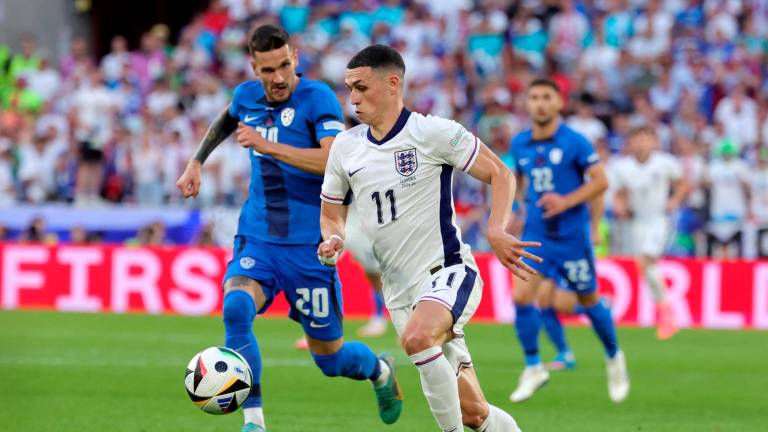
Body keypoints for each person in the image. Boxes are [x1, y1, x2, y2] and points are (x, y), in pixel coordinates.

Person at [175, 26, 401, 432]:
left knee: (330, 359)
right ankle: (254, 422)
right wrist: (196, 161)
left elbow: (333, 162)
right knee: (236, 306)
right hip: (259, 235)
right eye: (268, 69)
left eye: (284, 65)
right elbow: (228, 118)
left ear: (294, 57)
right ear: (254, 67)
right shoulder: (247, 96)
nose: (278, 77)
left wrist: (267, 145)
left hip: (310, 248)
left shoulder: (317, 98)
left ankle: (379, 370)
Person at [318, 44, 537, 432]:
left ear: (392, 83)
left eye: (361, 87)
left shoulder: (432, 132)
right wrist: (332, 239)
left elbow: (501, 174)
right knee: (473, 411)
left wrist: (496, 227)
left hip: (448, 271)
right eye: (349, 88)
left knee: (419, 339)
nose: (352, 97)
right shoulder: (346, 149)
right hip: (400, 292)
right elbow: (332, 212)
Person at [508, 77, 629, 404]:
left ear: (559, 103)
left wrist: (566, 202)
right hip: (536, 234)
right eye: (534, 97)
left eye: (547, 97)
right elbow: (518, 180)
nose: (540, 103)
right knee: (521, 296)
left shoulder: (576, 142)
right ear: (527, 104)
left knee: (589, 301)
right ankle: (534, 366)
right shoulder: (520, 143)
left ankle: (614, 356)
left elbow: (600, 182)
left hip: (571, 237)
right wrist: (517, 209)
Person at [613, 126, 688, 340]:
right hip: (637, 222)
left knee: (646, 262)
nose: (641, 143)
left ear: (654, 142)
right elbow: (618, 194)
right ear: (630, 142)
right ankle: (666, 314)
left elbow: (683, 184)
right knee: (644, 267)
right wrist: (620, 206)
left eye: (646, 138)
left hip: (659, 220)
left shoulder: (665, 163)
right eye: (637, 138)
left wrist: (674, 200)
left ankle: (667, 313)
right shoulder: (622, 167)